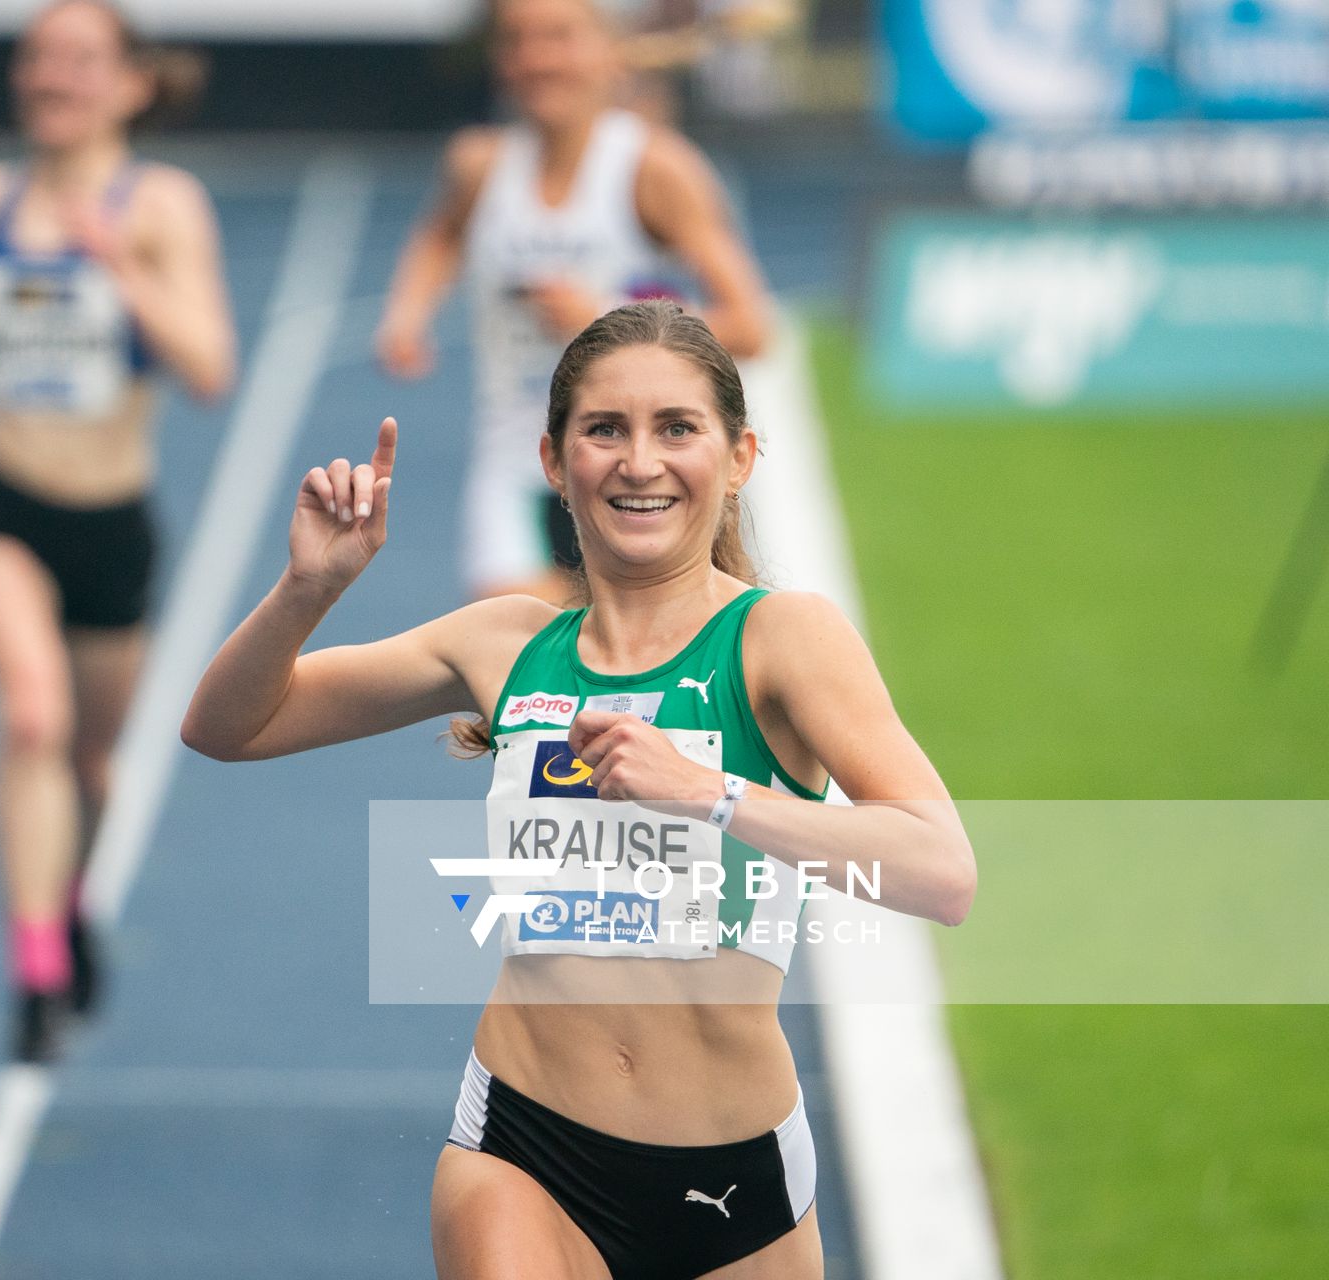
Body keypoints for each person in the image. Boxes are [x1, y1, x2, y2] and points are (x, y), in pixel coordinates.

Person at [184, 300, 975, 1278]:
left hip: (733, 1183)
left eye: (676, 428)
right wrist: (306, 591)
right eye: (605, 429)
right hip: (524, 1146)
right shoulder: (503, 642)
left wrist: (710, 792)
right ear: (555, 461)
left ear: (739, 458)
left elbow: (943, 870)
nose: (640, 462)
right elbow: (227, 727)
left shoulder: (783, 641)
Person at [0, 0, 235, 1061]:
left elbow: (211, 371)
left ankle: (68, 895)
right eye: (38, 58)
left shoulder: (162, 206)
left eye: (81, 60)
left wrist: (117, 266)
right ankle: (35, 967)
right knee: (31, 717)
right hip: (3, 509)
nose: (54, 77)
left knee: (90, 764)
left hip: (114, 525)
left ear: (130, 84)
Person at [376, 0, 774, 605]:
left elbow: (751, 327)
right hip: (516, 463)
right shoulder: (479, 165)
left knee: (638, 652)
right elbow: (440, 236)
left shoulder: (653, 169)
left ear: (610, 51)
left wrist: (603, 318)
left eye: (559, 38)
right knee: (513, 650)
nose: (536, 59)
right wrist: (406, 315)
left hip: (637, 469)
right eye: (517, 41)